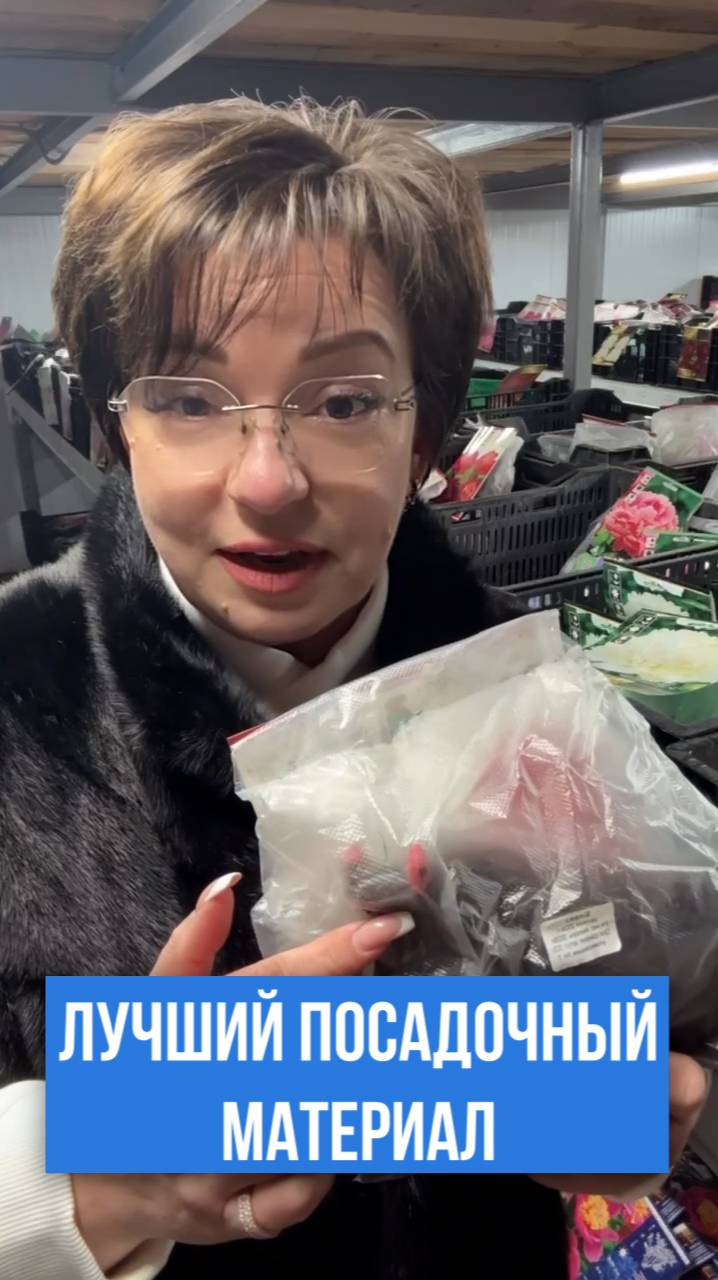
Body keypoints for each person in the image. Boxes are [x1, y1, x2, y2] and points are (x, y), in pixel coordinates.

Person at [0, 96, 707, 1280]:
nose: (267, 480)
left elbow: (662, 1038)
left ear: (425, 432)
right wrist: (86, 1175)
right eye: (189, 399)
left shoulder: (546, 706)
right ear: (120, 425)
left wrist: (650, 1113)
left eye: (340, 401)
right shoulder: (22, 703)